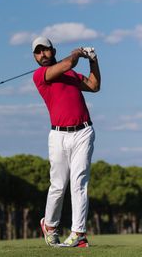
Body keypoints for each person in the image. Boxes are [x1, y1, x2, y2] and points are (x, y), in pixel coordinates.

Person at [31, 36, 100, 248]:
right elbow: (68, 62)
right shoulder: (40, 75)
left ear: (53, 51)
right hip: (58, 135)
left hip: (83, 132)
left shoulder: (70, 74)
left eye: (46, 50)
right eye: (38, 52)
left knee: (79, 183)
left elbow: (94, 86)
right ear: (35, 56)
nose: (42, 54)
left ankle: (78, 233)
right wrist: (77, 53)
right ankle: (50, 226)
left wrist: (93, 60)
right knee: (58, 185)